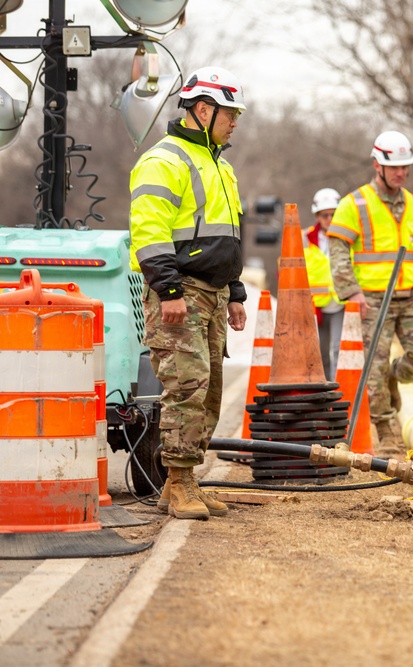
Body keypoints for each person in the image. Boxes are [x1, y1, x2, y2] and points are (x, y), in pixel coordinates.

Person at [129, 66, 248, 521]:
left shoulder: (220, 165)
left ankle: (183, 483)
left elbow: (229, 235)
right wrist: (169, 290)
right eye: (229, 113)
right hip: (180, 292)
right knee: (186, 388)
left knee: (209, 388)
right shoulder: (165, 160)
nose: (235, 121)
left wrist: (234, 292)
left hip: (213, 295)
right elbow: (150, 232)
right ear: (203, 109)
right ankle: (176, 483)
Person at [327, 130, 413, 455]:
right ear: (377, 165)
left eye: (405, 166)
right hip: (370, 297)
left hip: (410, 294)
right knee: (375, 365)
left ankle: (398, 376)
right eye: (393, 166)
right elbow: (338, 249)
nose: (400, 172)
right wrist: (350, 292)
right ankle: (385, 430)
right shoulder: (353, 204)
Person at [305, 187, 345, 380]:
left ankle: (338, 392)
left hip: (341, 302)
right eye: (324, 215)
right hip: (315, 305)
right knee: (319, 353)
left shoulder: (349, 237)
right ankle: (324, 390)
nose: (329, 219)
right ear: (317, 216)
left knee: (338, 349)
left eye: (333, 214)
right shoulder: (305, 239)